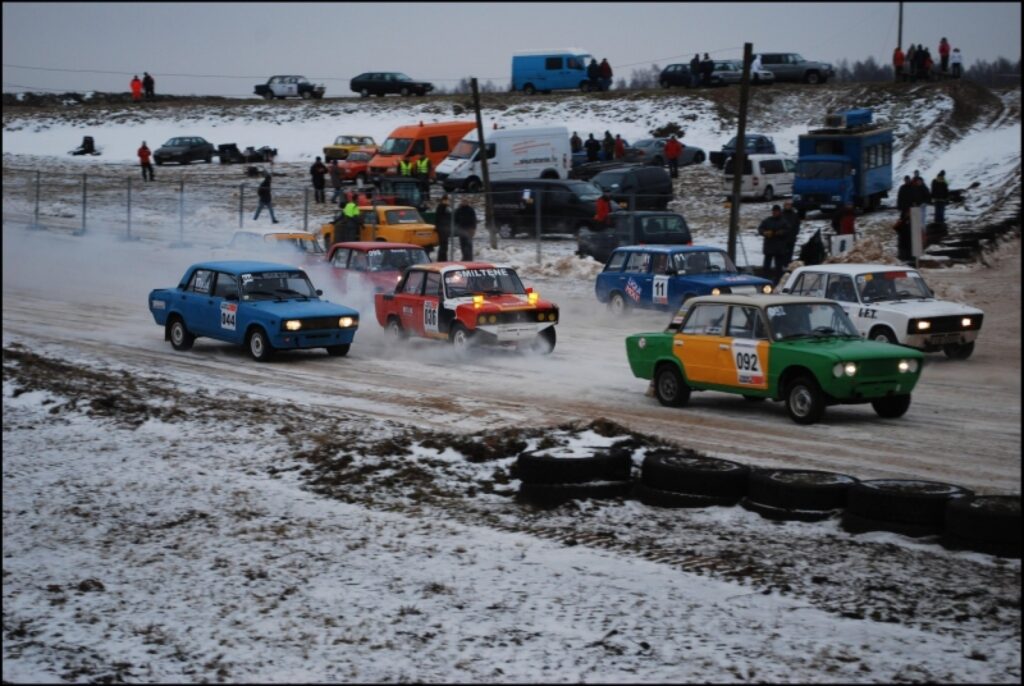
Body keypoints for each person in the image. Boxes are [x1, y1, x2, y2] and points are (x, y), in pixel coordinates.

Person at [756, 204, 790, 284]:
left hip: (779, 248)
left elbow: (788, 230)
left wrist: (780, 233)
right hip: (769, 247)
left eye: (776, 211)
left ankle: (778, 281)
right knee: (766, 266)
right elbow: (760, 228)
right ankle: (765, 280)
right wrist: (764, 232)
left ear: (779, 212)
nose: (775, 213)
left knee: (778, 267)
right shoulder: (767, 220)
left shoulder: (783, 221)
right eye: (774, 211)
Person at [781, 199, 801, 264]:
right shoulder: (781, 214)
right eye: (786, 205)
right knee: (782, 253)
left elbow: (797, 225)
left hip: (791, 237)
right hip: (782, 238)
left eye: (789, 205)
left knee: (790, 253)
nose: (788, 206)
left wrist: (795, 233)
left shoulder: (794, 215)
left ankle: (788, 264)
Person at [435, 194, 452, 261]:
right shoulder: (442, 207)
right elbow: (439, 218)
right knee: (443, 245)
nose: (448, 202)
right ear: (444, 200)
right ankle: (441, 259)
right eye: (447, 200)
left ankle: (443, 259)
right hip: (442, 229)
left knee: (444, 246)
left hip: (445, 229)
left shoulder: (446, 207)